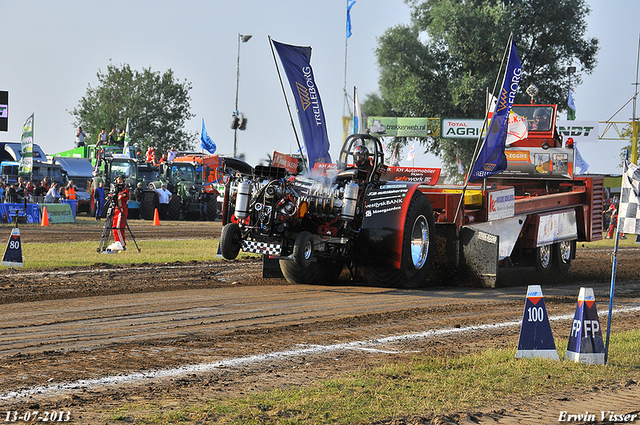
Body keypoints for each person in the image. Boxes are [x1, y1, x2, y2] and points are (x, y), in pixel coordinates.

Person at [110, 175, 129, 251]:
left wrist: (121, 195)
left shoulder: (125, 189)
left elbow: (125, 195)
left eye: (121, 180)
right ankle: (117, 243)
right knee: (114, 228)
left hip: (122, 210)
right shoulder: (114, 189)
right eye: (118, 180)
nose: (120, 181)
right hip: (115, 210)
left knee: (119, 227)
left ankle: (122, 244)